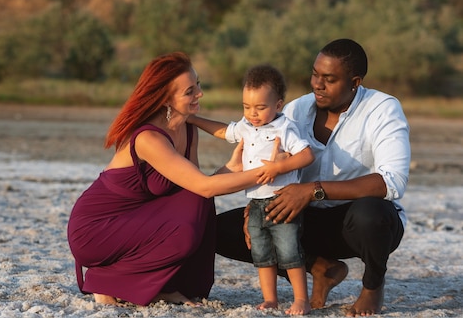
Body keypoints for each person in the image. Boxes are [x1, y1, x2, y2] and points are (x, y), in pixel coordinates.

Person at [214, 39, 410, 316]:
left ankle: (372, 287)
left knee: (373, 212)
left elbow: (392, 182)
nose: (317, 84)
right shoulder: (295, 110)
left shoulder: (383, 109)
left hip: (356, 223)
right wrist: (256, 207)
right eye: (315, 74)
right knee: (222, 230)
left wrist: (313, 190)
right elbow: (271, 165)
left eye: (329, 79)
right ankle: (321, 268)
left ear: (354, 82)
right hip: (303, 219)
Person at [67, 52, 270, 307]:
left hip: (134, 220)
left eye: (199, 85)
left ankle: (166, 286)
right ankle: (103, 279)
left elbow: (196, 187)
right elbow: (204, 187)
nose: (199, 94)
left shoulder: (187, 128)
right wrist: (271, 170)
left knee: (199, 208)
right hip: (96, 229)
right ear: (166, 98)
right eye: (189, 91)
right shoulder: (148, 138)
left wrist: (232, 167)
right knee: (188, 222)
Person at [189, 64, 314, 315]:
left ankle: (301, 299)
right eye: (246, 107)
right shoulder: (246, 126)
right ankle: (270, 299)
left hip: (281, 200)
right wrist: (192, 119)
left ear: (278, 105)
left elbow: (306, 155)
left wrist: (280, 167)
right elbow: (224, 131)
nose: (252, 113)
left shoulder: (284, 127)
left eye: (260, 107)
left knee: (290, 251)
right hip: (255, 203)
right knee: (262, 253)